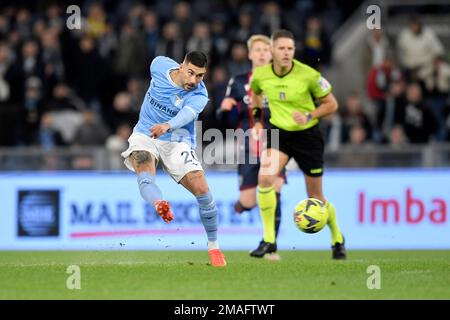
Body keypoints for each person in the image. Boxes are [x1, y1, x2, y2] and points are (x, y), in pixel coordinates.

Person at [121, 51, 226, 267]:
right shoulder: (158, 65)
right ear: (181, 66)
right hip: (146, 133)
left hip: (177, 140)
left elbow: (186, 115)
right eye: (190, 73)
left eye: (200, 76)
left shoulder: (200, 95)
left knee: (203, 191)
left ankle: (214, 247)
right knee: (144, 168)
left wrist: (168, 125)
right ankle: (159, 203)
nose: (193, 80)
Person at [250, 29, 346, 260]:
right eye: (281, 48)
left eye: (290, 49)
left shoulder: (309, 75)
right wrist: (256, 120)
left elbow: (332, 104)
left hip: (307, 136)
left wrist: (311, 115)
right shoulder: (261, 75)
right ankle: (269, 240)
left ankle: (337, 239)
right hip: (279, 133)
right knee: (264, 178)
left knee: (316, 197)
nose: (286, 53)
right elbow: (256, 96)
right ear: (272, 50)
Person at [218, 34, 285, 260]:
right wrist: (227, 108)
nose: (262, 53)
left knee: (274, 189)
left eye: (266, 49)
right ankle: (241, 205)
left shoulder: (281, 79)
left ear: (272, 53)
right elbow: (223, 117)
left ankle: (271, 246)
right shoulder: (237, 82)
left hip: (276, 142)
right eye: (257, 49)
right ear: (249, 54)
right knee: (248, 201)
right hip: (248, 145)